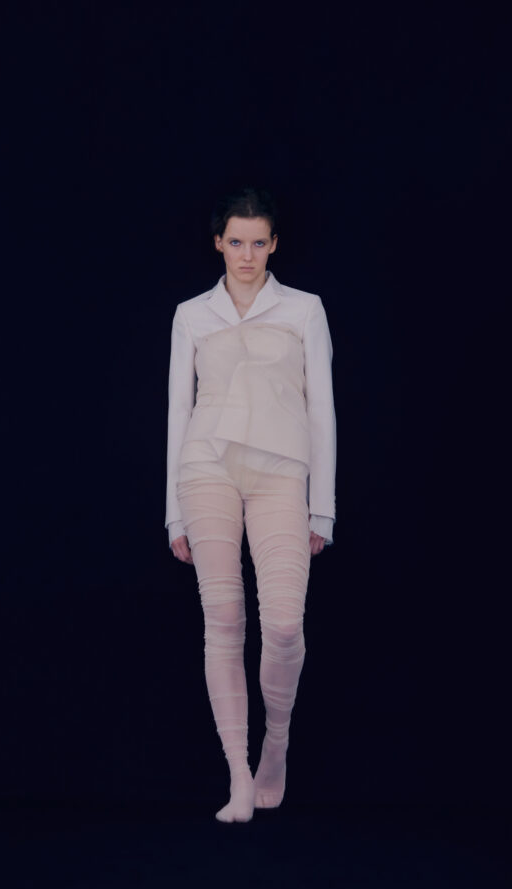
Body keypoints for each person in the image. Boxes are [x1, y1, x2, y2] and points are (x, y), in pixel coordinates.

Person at [165, 186, 336, 823]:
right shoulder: (192, 315)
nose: (246, 254)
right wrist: (172, 512)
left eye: (257, 242)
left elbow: (322, 408)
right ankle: (237, 771)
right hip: (205, 467)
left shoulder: (304, 309)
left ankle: (276, 745)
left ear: (273, 245)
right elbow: (178, 411)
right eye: (235, 242)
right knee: (224, 618)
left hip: (281, 470)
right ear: (218, 243)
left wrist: (323, 507)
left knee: (284, 624)